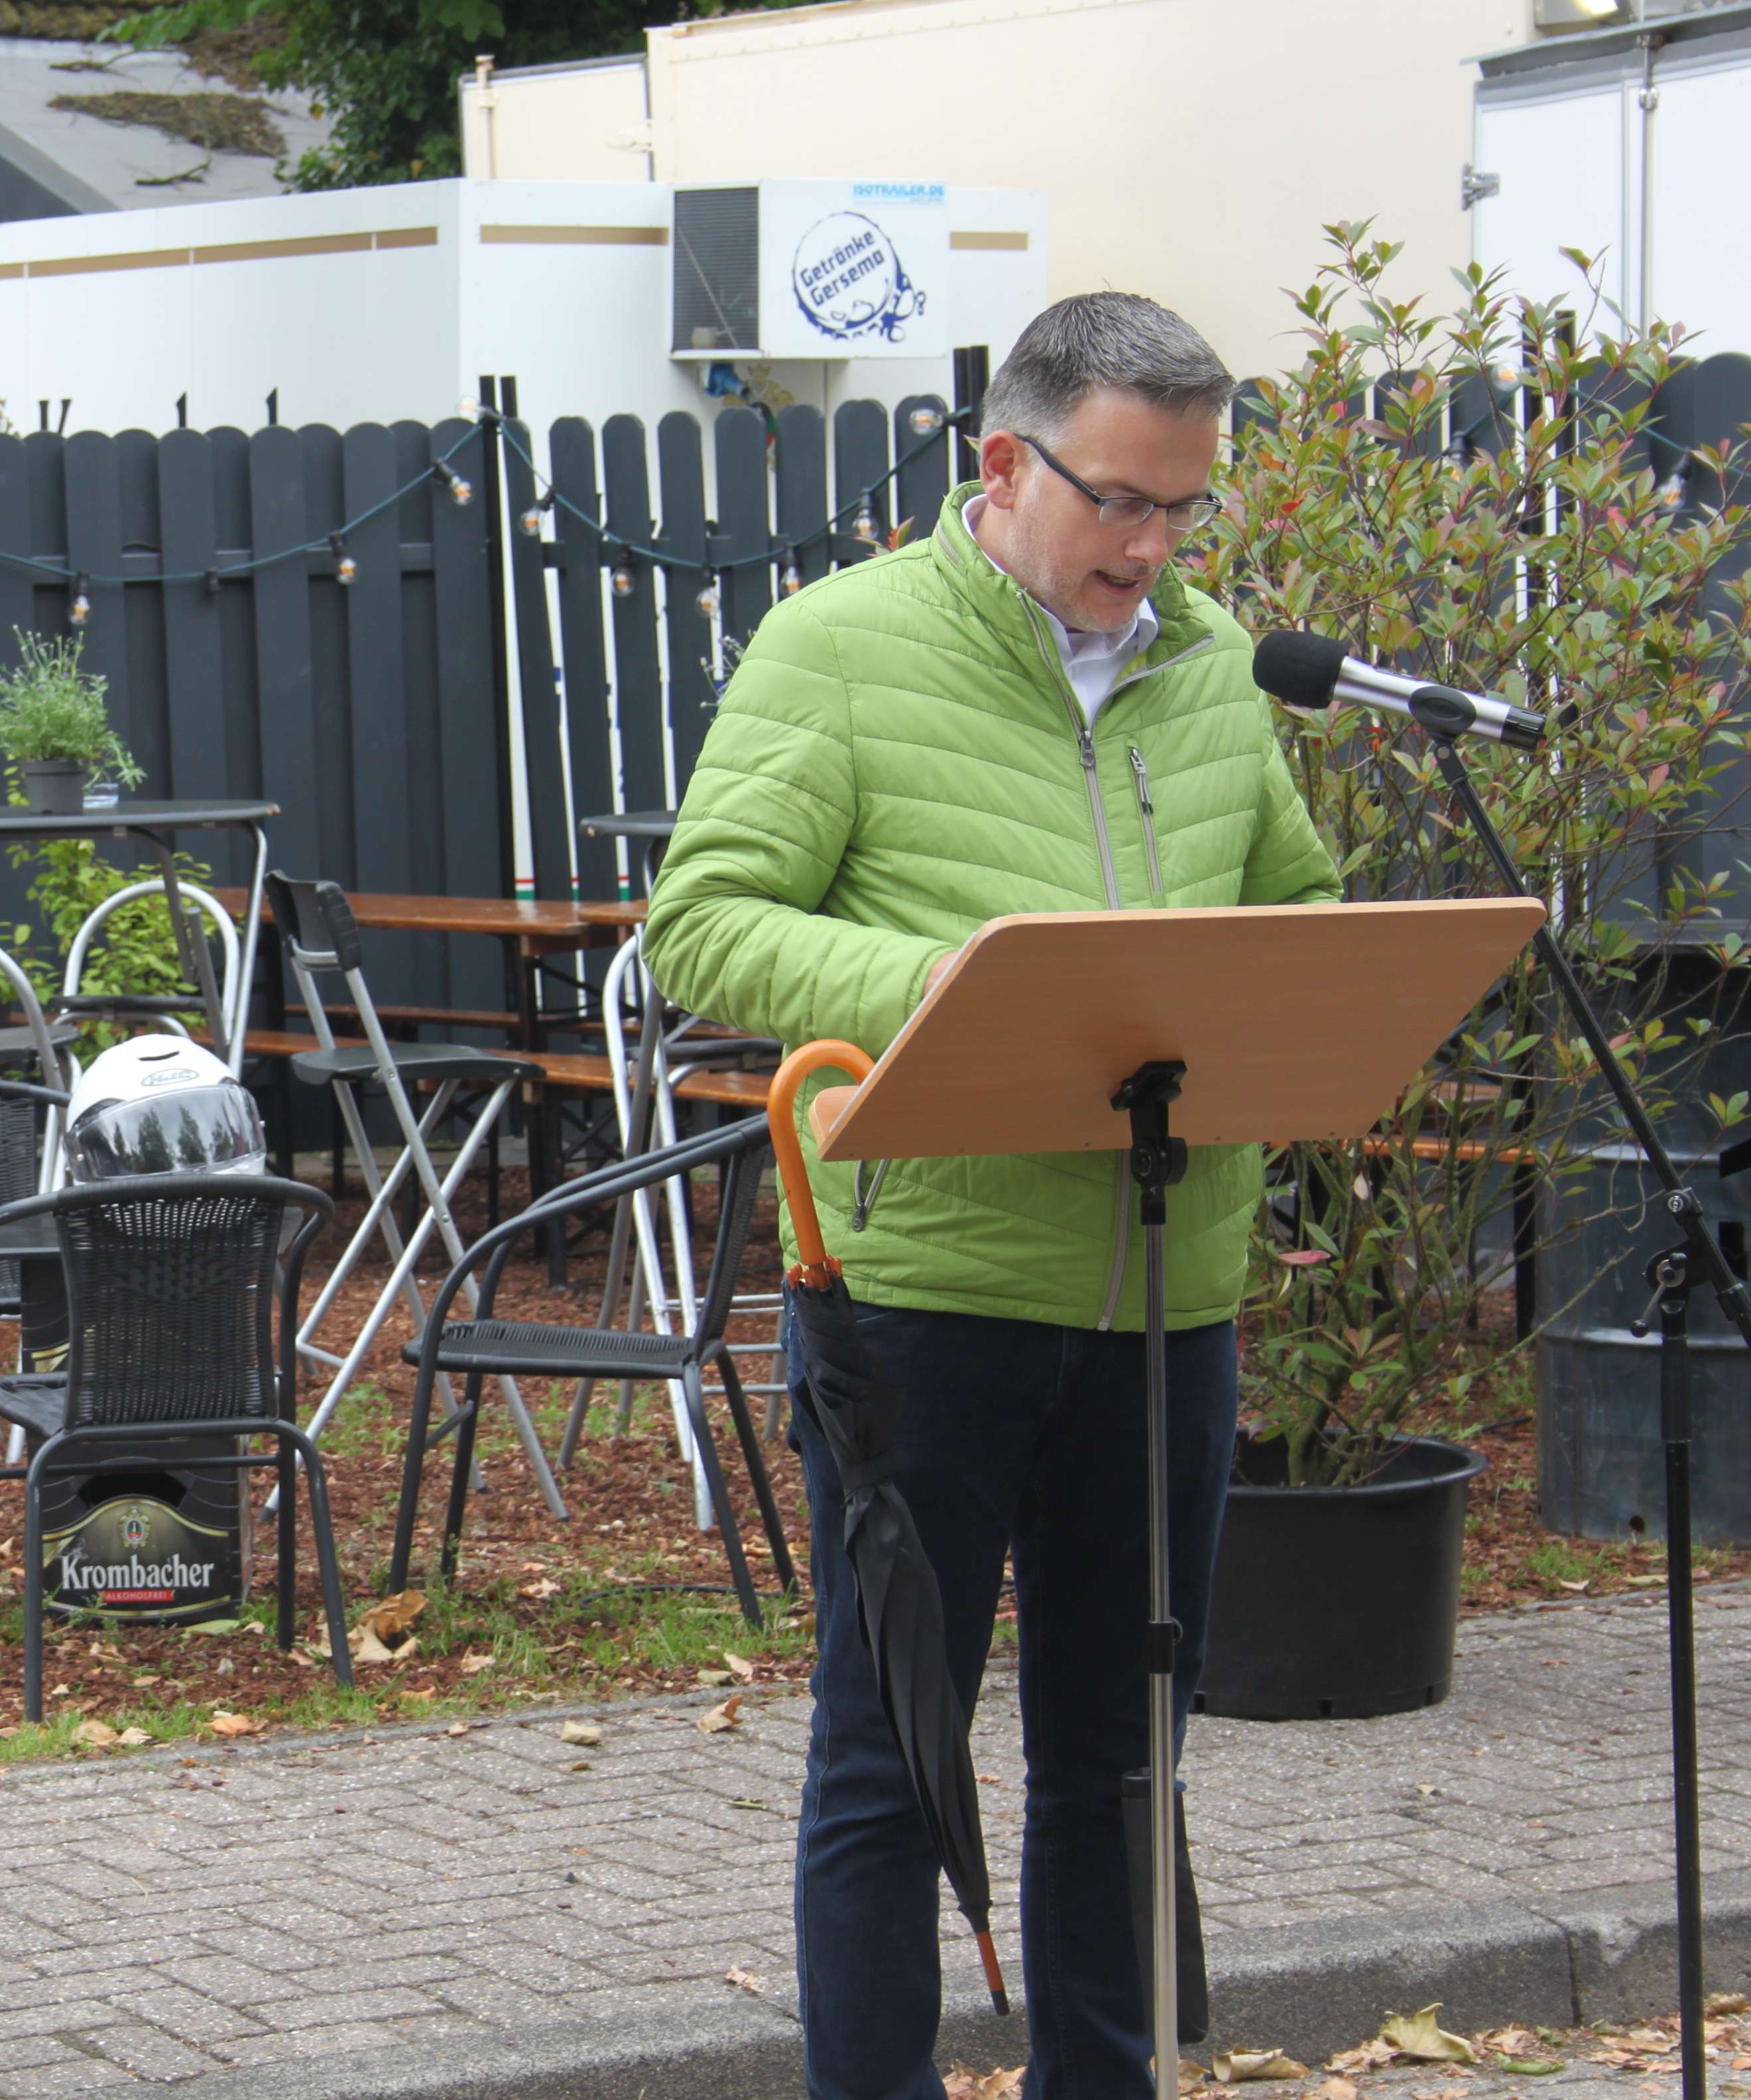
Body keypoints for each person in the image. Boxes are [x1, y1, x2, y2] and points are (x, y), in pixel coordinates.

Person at [643, 292, 1342, 2100]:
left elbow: (1294, 926)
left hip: (1165, 1293)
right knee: (897, 1760)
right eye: (1120, 500)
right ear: (1005, 464)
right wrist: (964, 991)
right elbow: (701, 922)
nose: (1154, 547)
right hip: (925, 1297)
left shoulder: (1211, 665)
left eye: (1188, 509)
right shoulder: (839, 649)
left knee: (1122, 1759)